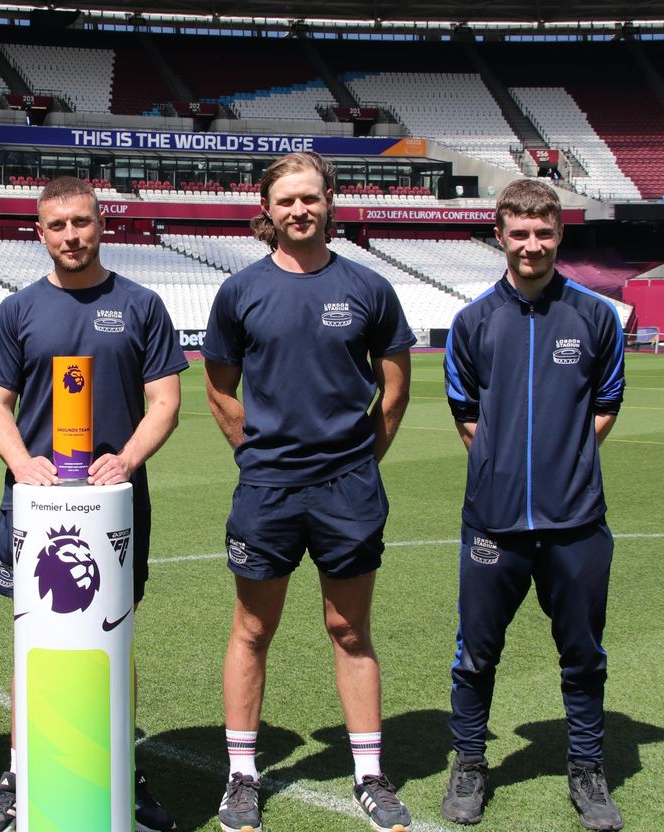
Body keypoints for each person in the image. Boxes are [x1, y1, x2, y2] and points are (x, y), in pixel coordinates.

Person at [202, 151, 415, 832]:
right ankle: (241, 775)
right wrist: (258, 457)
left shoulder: (369, 288)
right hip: (267, 490)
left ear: (330, 202)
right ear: (267, 210)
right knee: (252, 630)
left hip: (348, 489)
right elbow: (219, 390)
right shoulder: (240, 292)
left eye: (310, 198)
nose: (299, 210)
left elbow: (394, 390)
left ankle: (369, 774)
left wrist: (358, 463)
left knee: (350, 630)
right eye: (286, 200)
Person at [0, 176, 187, 832]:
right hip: (36, 507)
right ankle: (21, 772)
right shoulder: (19, 310)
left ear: (102, 224)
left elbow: (166, 402)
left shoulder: (142, 304)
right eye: (58, 225)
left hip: (113, 506)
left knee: (116, 634)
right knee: (31, 637)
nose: (71, 236)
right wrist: (21, 462)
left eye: (82, 222)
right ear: (41, 233)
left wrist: (127, 459)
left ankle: (123, 766)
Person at [440, 179, 626, 831]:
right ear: (500, 235)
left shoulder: (596, 317)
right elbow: (466, 414)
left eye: (543, 233)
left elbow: (607, 404)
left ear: (559, 234)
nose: (531, 245)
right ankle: (470, 762)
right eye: (519, 234)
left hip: (577, 523)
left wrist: (560, 466)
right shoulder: (472, 322)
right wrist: (503, 469)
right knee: (475, 655)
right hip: (493, 524)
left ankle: (587, 767)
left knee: (583, 654)